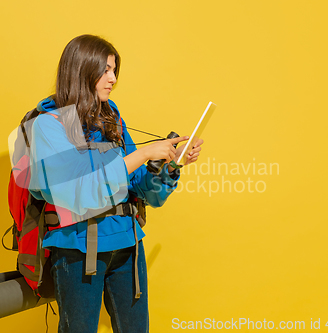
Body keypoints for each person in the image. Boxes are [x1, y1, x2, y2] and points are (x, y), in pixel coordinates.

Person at [28, 34, 203, 333]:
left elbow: (144, 191)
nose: (113, 79)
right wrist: (145, 152)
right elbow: (77, 192)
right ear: (83, 70)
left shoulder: (111, 118)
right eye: (105, 70)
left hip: (128, 245)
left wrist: (171, 164)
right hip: (77, 249)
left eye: (114, 71)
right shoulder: (48, 124)